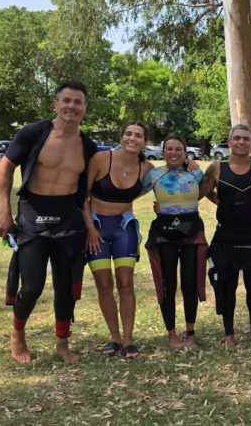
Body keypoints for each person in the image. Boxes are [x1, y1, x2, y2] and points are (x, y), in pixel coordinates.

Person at [0, 79, 97, 363]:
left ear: (84, 109)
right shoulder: (34, 132)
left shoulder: (88, 146)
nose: (71, 106)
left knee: (66, 285)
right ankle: (18, 335)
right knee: (32, 285)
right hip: (32, 214)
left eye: (77, 102)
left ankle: (62, 343)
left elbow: (114, 169)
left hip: (67, 217)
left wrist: (185, 164)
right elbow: (5, 169)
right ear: (56, 104)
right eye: (66, 100)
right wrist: (4, 212)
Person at [199, 124, 251, 348]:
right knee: (226, 286)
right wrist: (219, 201)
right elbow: (199, 193)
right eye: (237, 138)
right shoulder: (216, 168)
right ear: (229, 142)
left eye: (246, 139)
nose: (241, 142)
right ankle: (229, 334)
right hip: (226, 236)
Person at [82, 122, 154, 360]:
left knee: (126, 284)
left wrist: (191, 164)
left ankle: (128, 339)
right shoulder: (101, 160)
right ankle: (114, 336)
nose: (132, 138)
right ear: (122, 137)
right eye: (128, 134)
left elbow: (170, 177)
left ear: (145, 142)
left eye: (139, 136)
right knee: (104, 285)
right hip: (97, 228)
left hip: (125, 228)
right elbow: (83, 196)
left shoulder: (147, 168)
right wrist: (90, 228)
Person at [143, 135, 208, 350]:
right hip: (164, 233)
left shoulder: (196, 172)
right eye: (169, 149)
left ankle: (190, 334)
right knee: (167, 284)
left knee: (190, 283)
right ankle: (172, 335)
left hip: (191, 232)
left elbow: (213, 192)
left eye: (178, 149)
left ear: (185, 152)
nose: (173, 153)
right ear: (163, 152)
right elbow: (128, 193)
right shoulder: (154, 175)